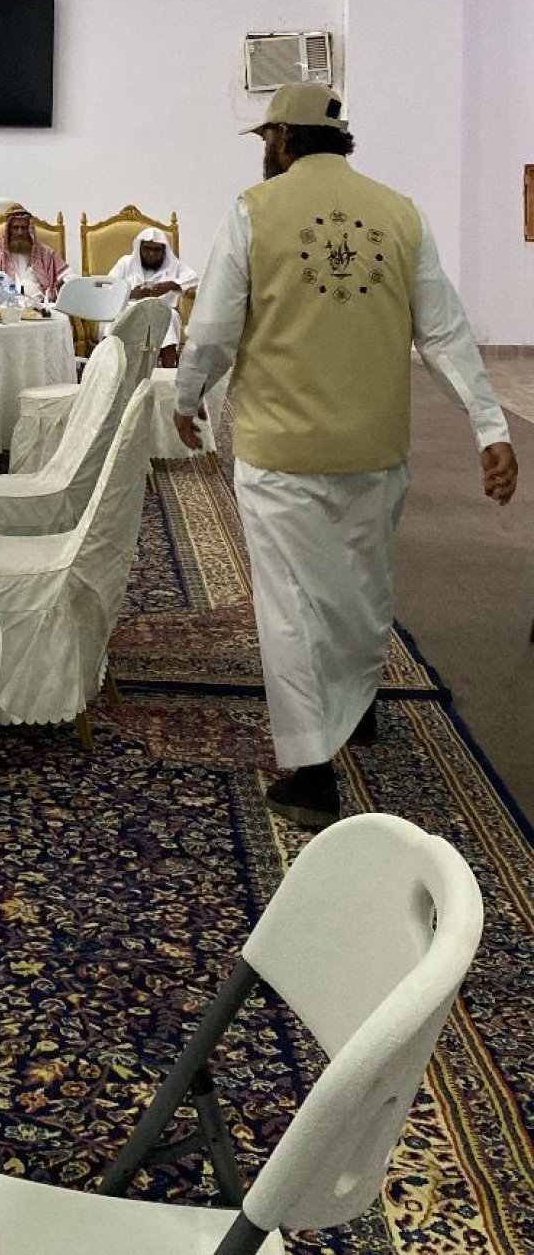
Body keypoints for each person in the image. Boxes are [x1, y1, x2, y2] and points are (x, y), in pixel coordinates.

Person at [174, 82, 517, 831]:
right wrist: (490, 428)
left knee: (291, 605)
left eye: (267, 138)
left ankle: (311, 771)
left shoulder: (253, 211)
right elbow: (446, 331)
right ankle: (356, 709)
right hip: (375, 447)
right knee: (362, 586)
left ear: (282, 139)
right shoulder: (400, 213)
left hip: (282, 449)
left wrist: (187, 395)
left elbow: (213, 329)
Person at [108, 226, 198, 365]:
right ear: (140, 248)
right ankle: (112, 367)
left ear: (163, 251)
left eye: (156, 250)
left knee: (170, 317)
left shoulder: (173, 265)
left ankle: (168, 371)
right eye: (147, 249)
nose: (151, 254)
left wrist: (170, 285)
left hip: (162, 309)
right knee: (114, 319)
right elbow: (109, 287)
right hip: (130, 308)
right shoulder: (125, 263)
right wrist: (131, 293)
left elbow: (194, 279)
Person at [0, 205, 71, 303]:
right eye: (15, 228)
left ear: (29, 230)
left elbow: (68, 276)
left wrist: (60, 287)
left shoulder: (44, 253)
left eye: (24, 228)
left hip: (40, 306)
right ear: (9, 230)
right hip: (5, 307)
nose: (20, 232)